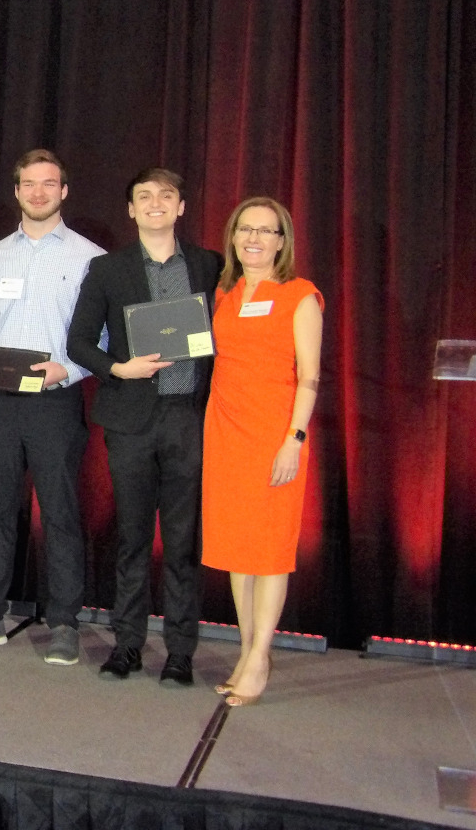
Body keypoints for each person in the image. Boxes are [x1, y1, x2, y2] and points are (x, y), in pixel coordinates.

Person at [66, 168, 224, 685]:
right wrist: (118, 367)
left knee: (182, 542)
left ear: (181, 207)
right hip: (130, 420)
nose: (155, 203)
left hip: (188, 419)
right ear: (130, 210)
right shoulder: (107, 269)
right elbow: (79, 343)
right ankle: (128, 645)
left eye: (166, 196)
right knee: (133, 539)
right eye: (144, 197)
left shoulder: (209, 265)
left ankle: (180, 652)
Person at [0, 149, 104, 662]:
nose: (38, 193)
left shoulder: (89, 258)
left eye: (49, 184)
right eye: (29, 184)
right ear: (17, 192)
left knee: (59, 513)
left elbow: (103, 337)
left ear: (64, 191)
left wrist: (71, 369)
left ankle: (64, 624)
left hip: (54, 403)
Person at [202, 196, 323, 707]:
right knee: (237, 550)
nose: (254, 238)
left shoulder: (301, 296)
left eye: (265, 231)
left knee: (269, 551)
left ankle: (259, 658)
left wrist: (293, 440)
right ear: (233, 238)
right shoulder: (224, 292)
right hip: (225, 431)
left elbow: (311, 378)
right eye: (244, 229)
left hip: (275, 435)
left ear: (282, 241)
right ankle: (249, 650)